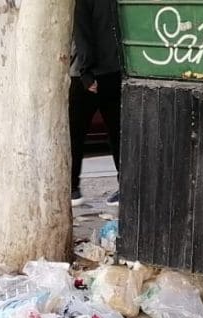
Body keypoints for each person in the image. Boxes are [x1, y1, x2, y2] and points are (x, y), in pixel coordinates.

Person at [69, 0, 121, 207]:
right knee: (118, 133)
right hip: (115, 71)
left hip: (87, 75)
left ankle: (72, 187)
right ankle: (124, 184)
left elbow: (82, 32)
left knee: (75, 133)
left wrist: (86, 71)